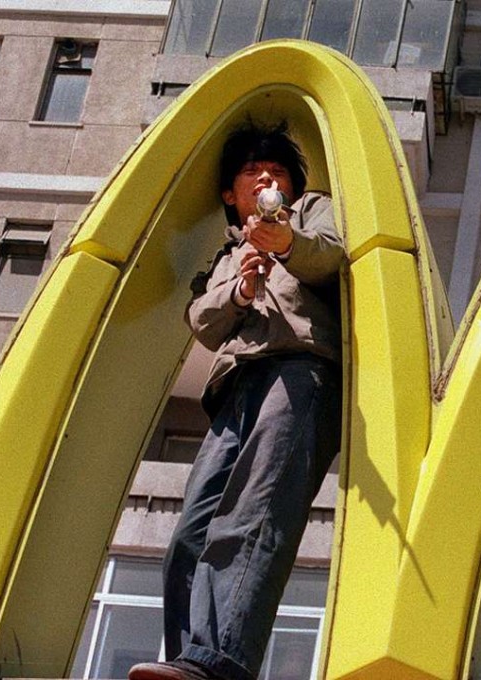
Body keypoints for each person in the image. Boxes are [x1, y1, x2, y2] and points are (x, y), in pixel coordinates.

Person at [130, 122, 345, 680]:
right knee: (191, 534)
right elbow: (203, 320)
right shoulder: (229, 253)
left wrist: (288, 246)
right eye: (253, 171)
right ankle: (186, 662)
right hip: (236, 388)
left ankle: (218, 662)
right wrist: (242, 287)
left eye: (278, 171)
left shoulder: (312, 212)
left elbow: (334, 256)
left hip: (301, 371)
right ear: (232, 193)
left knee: (250, 518)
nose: (267, 177)